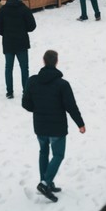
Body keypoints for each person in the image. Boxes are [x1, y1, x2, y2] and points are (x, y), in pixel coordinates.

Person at [22, 49, 85, 202]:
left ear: (44, 61)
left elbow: (26, 103)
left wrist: (37, 109)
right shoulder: (62, 84)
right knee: (58, 155)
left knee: (43, 152)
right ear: (56, 62)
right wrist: (80, 123)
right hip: (57, 127)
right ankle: (45, 183)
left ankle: (47, 182)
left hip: (40, 125)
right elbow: (71, 106)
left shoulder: (32, 81)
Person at [0, 0, 36, 99]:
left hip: (8, 42)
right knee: (24, 68)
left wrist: (6, 33)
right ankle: (26, 91)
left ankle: (9, 91)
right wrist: (23, 30)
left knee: (9, 68)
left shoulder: (3, 10)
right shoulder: (24, 10)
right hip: (22, 42)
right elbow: (32, 26)